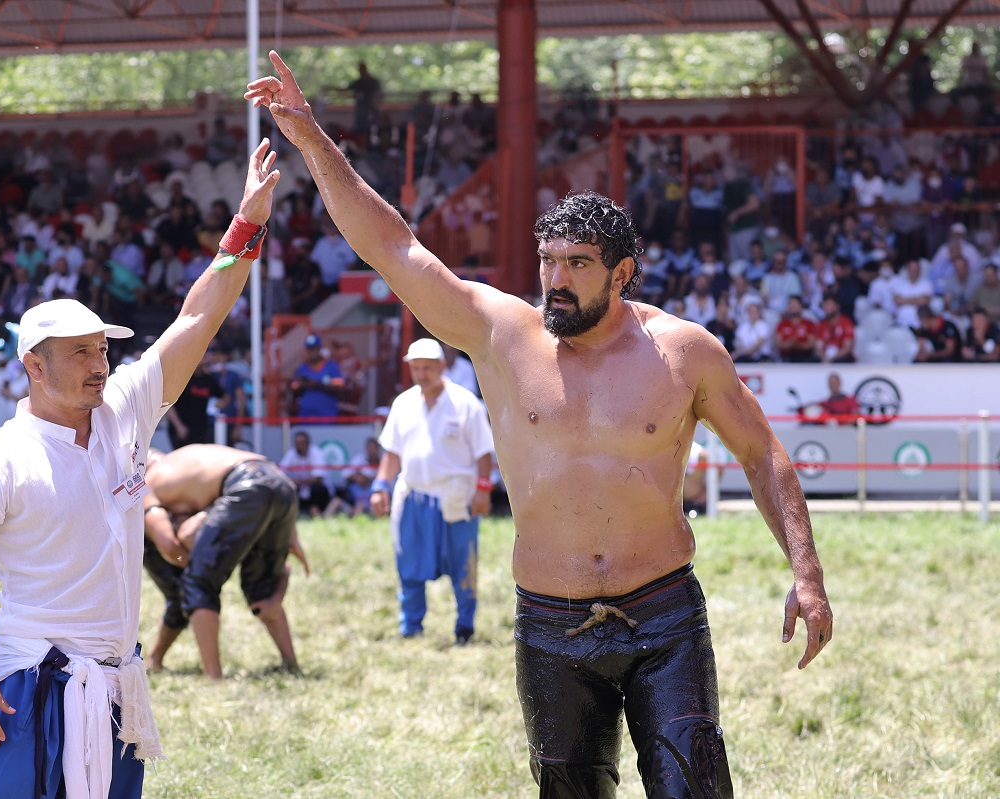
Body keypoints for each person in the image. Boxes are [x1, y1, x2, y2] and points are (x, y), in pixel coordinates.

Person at [250, 53, 832, 798]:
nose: (555, 279)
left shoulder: (683, 353)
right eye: (548, 260)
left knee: (694, 787)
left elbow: (762, 453)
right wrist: (310, 140)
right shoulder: (501, 334)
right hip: (549, 623)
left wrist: (806, 576)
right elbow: (393, 246)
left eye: (577, 264)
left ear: (622, 274)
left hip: (663, 614)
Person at [0, 139, 280, 799]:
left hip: (114, 681)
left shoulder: (124, 414)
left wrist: (246, 223)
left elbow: (199, 313)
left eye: (102, 348)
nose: (98, 363)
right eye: (79, 352)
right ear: (33, 365)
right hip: (25, 682)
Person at [139, 445, 308, 678]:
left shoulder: (145, 482)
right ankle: (291, 665)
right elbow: (264, 485)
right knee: (262, 589)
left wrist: (196, 562)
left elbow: (169, 546)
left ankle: (214, 677)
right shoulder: (184, 462)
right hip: (280, 482)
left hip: (244, 488)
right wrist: (290, 536)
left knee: (196, 584)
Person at [370, 338, 495, 644]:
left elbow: (484, 454)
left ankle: (464, 627)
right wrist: (380, 485)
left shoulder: (466, 403)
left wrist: (483, 490)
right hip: (413, 495)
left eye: (427, 367)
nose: (422, 374)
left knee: (462, 563)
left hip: (455, 497)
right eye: (416, 368)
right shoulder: (403, 403)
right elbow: (392, 453)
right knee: (408, 563)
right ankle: (410, 627)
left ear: (442, 366)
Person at [278, 429, 332, 516]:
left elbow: (318, 478)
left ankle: (317, 512)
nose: (299, 445)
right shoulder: (292, 453)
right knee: (287, 488)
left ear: (308, 443)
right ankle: (293, 513)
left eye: (302, 442)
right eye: (297, 443)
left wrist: (297, 481)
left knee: (317, 489)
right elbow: (280, 472)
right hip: (301, 488)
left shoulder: (316, 452)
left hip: (317, 491)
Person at [290, 333, 343, 421]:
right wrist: (302, 384)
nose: (312, 353)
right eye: (309, 350)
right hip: (306, 416)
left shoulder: (331, 366)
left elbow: (339, 387)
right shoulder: (302, 368)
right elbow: (294, 389)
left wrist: (317, 384)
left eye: (314, 349)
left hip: (327, 416)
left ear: (320, 349)